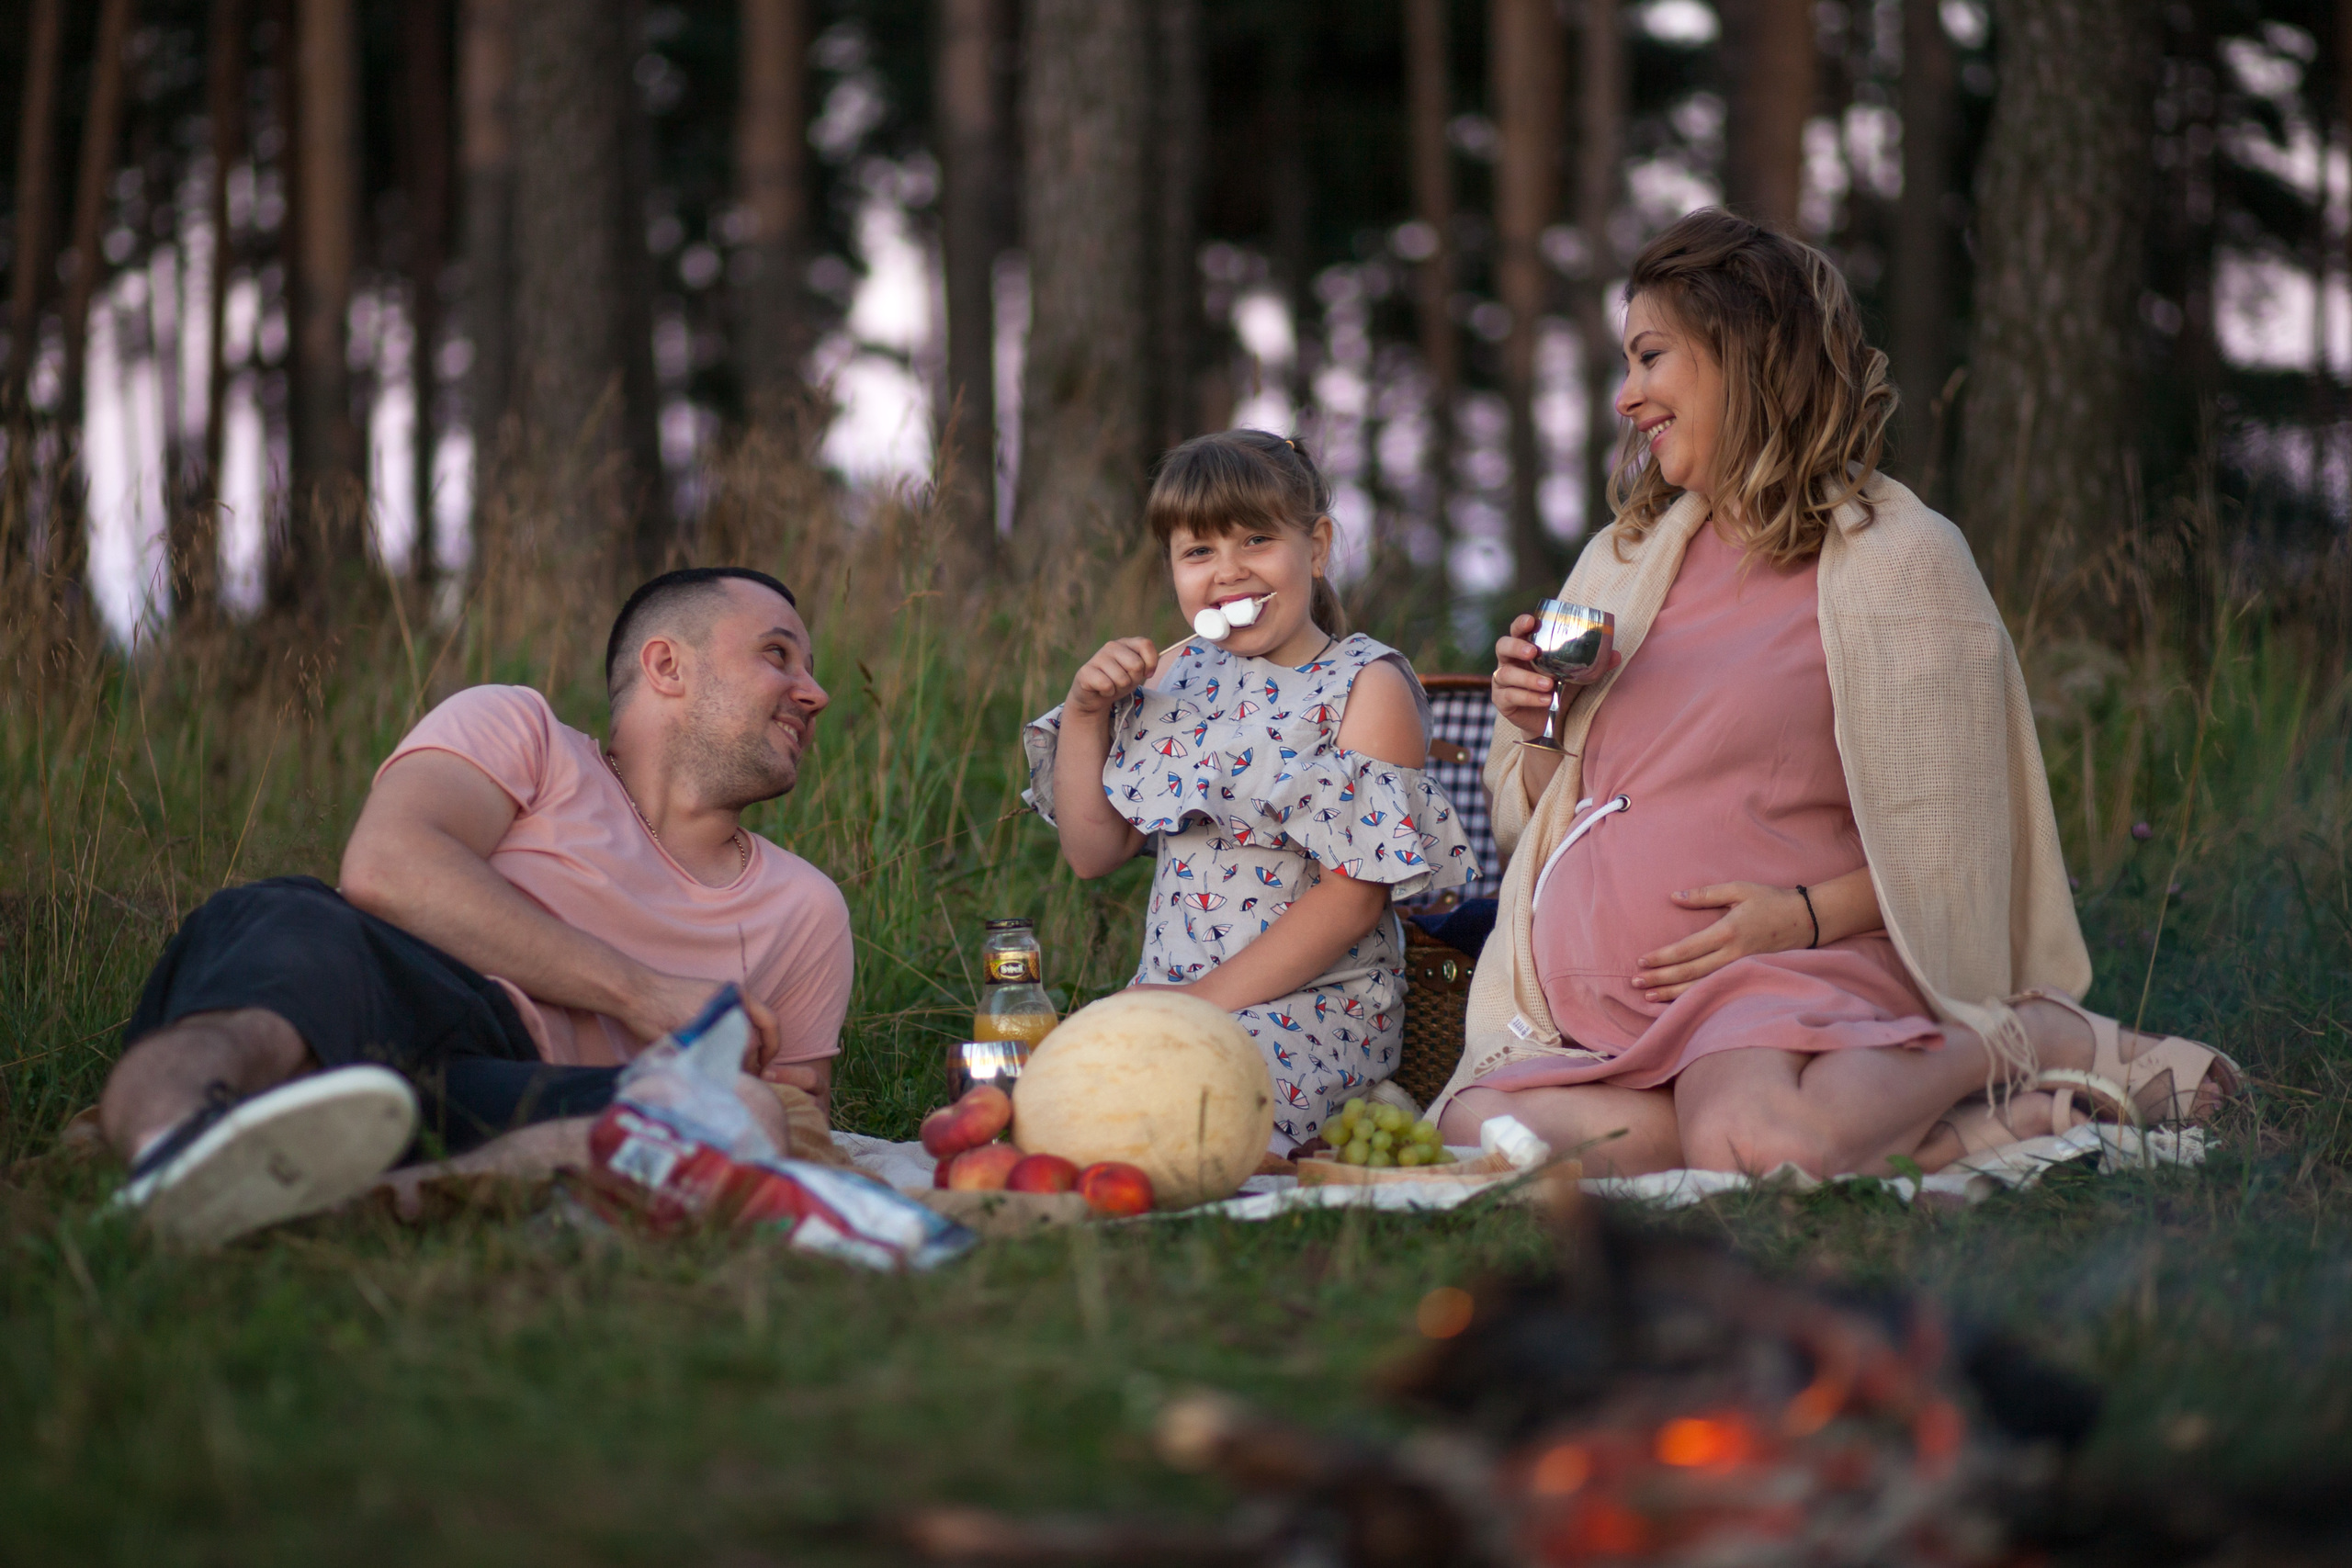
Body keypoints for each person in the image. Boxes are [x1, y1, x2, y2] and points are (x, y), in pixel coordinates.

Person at [1429, 209, 2238, 1179]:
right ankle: (1988, 1128)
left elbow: (1958, 846)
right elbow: (1535, 825)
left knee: (1753, 1140)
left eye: (1650, 358)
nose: (1626, 395)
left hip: (1775, 979)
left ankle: (2021, 1037)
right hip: (1607, 1021)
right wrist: (1538, 725)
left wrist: (1797, 918)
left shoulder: (1897, 561)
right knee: (1478, 1131)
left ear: (1746, 353)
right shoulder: (1619, 560)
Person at [100, 567, 854, 1246]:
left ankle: (350, 1206)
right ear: (666, 665)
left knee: (742, 1118)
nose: (814, 694)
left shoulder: (805, 908)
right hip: (374, 992)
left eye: (810, 673)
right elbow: (387, 867)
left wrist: (750, 1081)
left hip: (530, 1089)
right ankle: (171, 1152)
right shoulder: (521, 730)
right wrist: (642, 992)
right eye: (778, 655)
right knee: (283, 931)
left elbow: (795, 1112)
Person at [1023, 430, 1477, 1154]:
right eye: (1198, 551)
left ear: (1317, 547)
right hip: (1168, 997)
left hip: (1313, 1008)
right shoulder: (1172, 681)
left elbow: (1354, 895)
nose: (1228, 572)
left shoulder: (1365, 685)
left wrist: (1198, 1008)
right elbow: (1092, 850)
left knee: (1185, 1124)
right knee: (1058, 1106)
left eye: (1257, 540)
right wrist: (1086, 713)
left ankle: (1348, 1113)